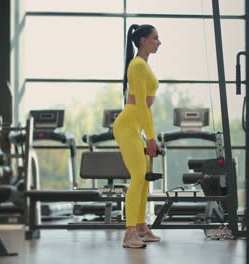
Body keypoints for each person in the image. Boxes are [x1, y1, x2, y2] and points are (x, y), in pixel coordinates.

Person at [113, 24, 162, 248]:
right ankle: (129, 232)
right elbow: (141, 105)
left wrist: (149, 134)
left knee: (143, 179)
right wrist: (150, 137)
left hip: (135, 126)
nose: (158, 42)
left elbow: (145, 109)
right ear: (143, 40)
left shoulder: (142, 65)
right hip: (127, 125)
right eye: (155, 38)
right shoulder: (137, 65)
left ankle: (141, 227)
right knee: (138, 175)